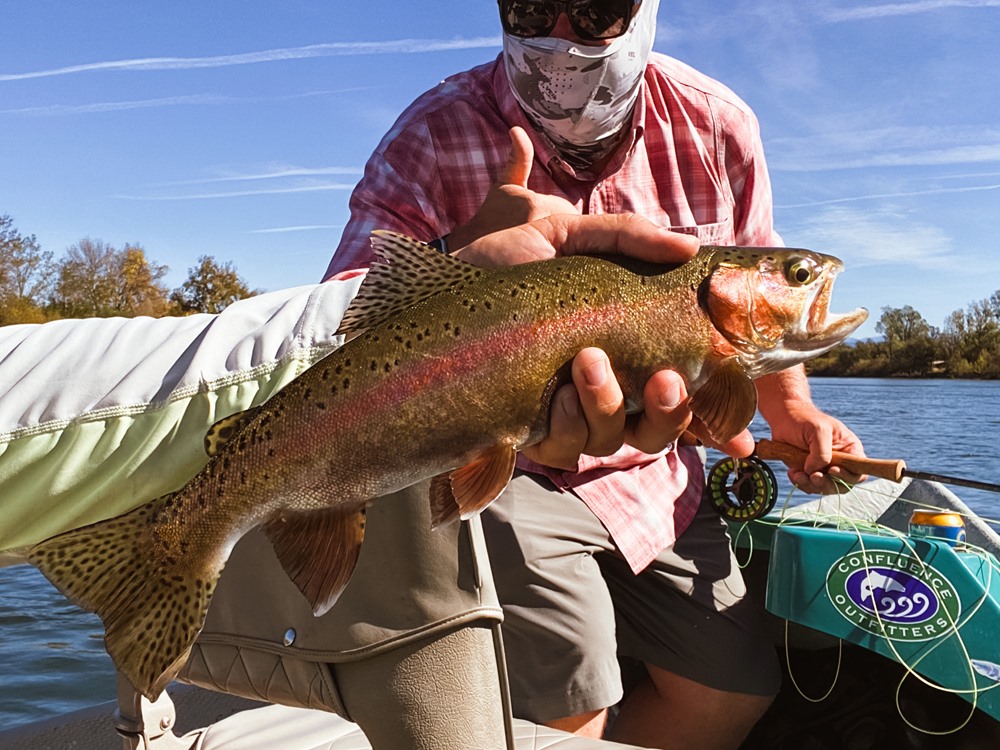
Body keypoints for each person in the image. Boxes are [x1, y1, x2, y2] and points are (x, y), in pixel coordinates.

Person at [323, 1, 866, 748]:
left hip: (656, 472)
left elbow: (750, 318)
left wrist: (792, 411)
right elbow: (334, 330)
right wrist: (458, 255)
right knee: (571, 702)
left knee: (733, 690)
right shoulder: (433, 132)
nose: (562, 35)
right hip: (500, 463)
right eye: (533, 9)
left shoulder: (719, 125)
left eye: (596, 11)